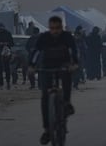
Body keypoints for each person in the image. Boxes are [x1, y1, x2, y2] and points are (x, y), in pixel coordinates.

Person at [29, 16, 79, 145]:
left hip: (64, 65)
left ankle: (67, 103)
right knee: (45, 96)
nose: (55, 31)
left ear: (61, 27)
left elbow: (74, 51)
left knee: (66, 80)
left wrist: (74, 64)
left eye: (57, 28)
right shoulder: (44, 37)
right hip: (47, 66)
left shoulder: (67, 37)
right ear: (49, 28)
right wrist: (32, 66)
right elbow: (36, 52)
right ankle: (47, 129)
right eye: (52, 28)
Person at [0, 23, 14, 89]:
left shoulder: (8, 33)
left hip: (6, 53)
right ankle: (1, 83)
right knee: (0, 69)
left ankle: (8, 83)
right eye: (0, 27)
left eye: (2, 27)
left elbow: (12, 43)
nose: (1, 28)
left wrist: (6, 44)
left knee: (7, 69)